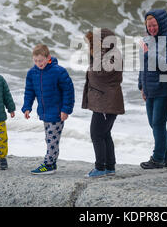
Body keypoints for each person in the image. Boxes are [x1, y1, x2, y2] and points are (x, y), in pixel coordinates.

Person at [22, 44, 75, 175]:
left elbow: (68, 91)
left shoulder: (58, 71)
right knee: (49, 138)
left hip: (57, 112)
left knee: (52, 138)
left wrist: (66, 110)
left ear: (48, 58)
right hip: (44, 112)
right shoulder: (32, 73)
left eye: (41, 60)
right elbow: (29, 92)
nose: (38, 63)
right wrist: (27, 107)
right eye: (35, 61)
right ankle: (52, 163)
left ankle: (49, 164)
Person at [82, 28, 125, 178]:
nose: (92, 48)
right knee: (105, 134)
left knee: (97, 134)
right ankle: (109, 167)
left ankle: (100, 167)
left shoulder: (113, 56)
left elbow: (101, 75)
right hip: (104, 101)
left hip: (107, 102)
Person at [138, 9, 167, 169]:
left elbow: (166, 64)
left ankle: (158, 158)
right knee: (153, 124)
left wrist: (149, 52)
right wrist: (141, 86)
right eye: (149, 26)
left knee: (158, 123)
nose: (152, 28)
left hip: (164, 89)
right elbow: (143, 67)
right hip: (150, 89)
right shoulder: (146, 40)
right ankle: (166, 158)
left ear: (161, 24)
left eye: (154, 25)